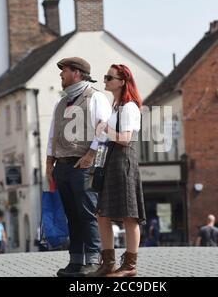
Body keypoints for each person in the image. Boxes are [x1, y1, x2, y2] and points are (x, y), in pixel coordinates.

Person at [46, 57, 112, 277]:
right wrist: (49, 163)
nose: (60, 75)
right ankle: (76, 261)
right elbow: (52, 135)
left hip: (84, 166)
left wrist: (91, 154)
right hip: (62, 166)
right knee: (72, 216)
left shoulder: (96, 98)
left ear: (76, 73)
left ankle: (94, 260)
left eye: (63, 71)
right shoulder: (60, 103)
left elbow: (104, 129)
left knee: (87, 215)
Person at [88, 64, 146, 277]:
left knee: (129, 216)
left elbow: (125, 139)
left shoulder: (129, 107)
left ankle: (130, 265)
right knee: (102, 214)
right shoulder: (116, 106)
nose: (105, 80)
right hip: (111, 161)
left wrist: (105, 129)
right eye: (105, 76)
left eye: (109, 77)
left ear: (122, 81)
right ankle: (108, 263)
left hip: (124, 162)